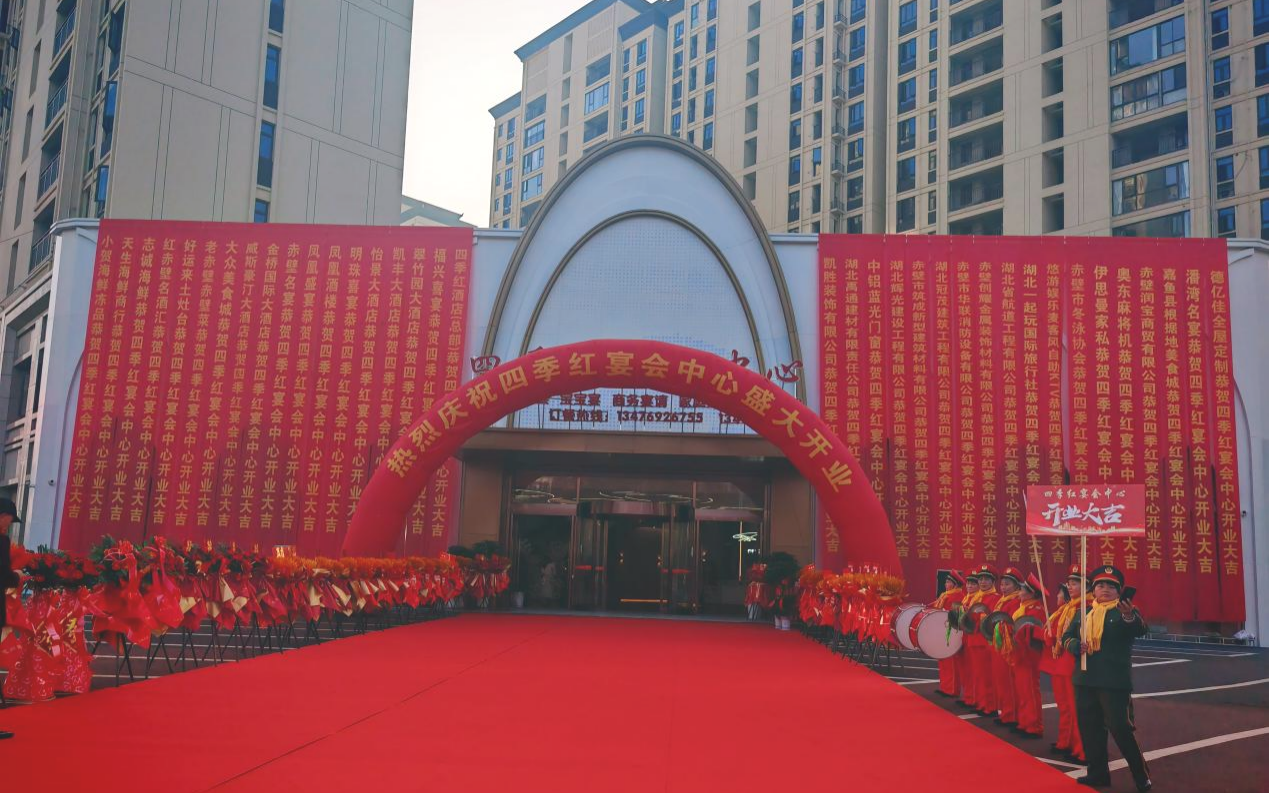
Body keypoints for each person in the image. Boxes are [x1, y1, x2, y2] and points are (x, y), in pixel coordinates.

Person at [1063, 565, 1152, 792]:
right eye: (1100, 585)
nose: (1105, 589)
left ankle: (1141, 775)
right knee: (1090, 728)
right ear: (1093, 590)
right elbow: (1067, 636)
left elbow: (1140, 629)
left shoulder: (1124, 611)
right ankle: (1098, 774)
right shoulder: (1084, 612)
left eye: (1111, 586)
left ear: (1119, 591)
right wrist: (1074, 645)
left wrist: (1129, 615)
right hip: (1085, 679)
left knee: (1121, 729)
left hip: (1113, 682)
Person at [1043, 567, 1089, 764]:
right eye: (1069, 584)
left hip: (1074, 663)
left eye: (1075, 583)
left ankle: (1082, 750)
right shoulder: (1067, 609)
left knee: (1078, 709)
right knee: (1065, 707)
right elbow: (1053, 635)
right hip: (1061, 662)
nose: (1070, 587)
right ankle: (1067, 741)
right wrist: (1050, 636)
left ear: (1086, 586)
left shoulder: (1087, 607)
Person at [1009, 572, 1048, 738]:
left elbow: (1035, 632)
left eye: (1022, 590)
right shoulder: (1023, 608)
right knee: (1022, 690)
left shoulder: (1036, 610)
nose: (1019, 592)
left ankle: (1034, 726)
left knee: (1030, 690)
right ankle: (1024, 722)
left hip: (1029, 655)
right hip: (1019, 653)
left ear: (1031, 593)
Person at [990, 566, 1025, 727]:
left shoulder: (1016, 601)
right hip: (999, 645)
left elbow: (1013, 624)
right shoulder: (1002, 600)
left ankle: (1012, 715)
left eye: (1007, 584)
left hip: (1009, 647)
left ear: (1016, 586)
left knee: (1009, 682)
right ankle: (1006, 712)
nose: (1003, 587)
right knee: (1002, 681)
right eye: (1002, 584)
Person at [0, 496, 22, 740]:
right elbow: (3, 575)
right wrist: (17, 576)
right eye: (9, 519)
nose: (9, 525)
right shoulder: (2, 540)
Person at [966, 564, 1000, 717]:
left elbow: (990, 619)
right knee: (977, 675)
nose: (983, 582)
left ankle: (989, 706)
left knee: (987, 676)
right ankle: (980, 703)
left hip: (984, 641)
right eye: (980, 579)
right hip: (973, 639)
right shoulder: (976, 597)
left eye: (986, 579)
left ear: (993, 581)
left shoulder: (995, 598)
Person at [931, 570, 965, 698]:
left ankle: (952, 689)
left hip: (951, 631)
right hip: (943, 630)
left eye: (949, 582)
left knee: (951, 662)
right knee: (943, 660)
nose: (946, 584)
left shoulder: (958, 596)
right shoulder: (945, 595)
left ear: (955, 584)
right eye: (946, 582)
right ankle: (945, 687)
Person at [955, 571, 980, 708]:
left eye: (973, 584)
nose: (969, 586)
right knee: (964, 669)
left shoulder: (977, 598)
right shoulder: (966, 598)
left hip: (973, 636)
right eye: (968, 583)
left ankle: (973, 698)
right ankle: (967, 696)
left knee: (972, 670)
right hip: (964, 636)